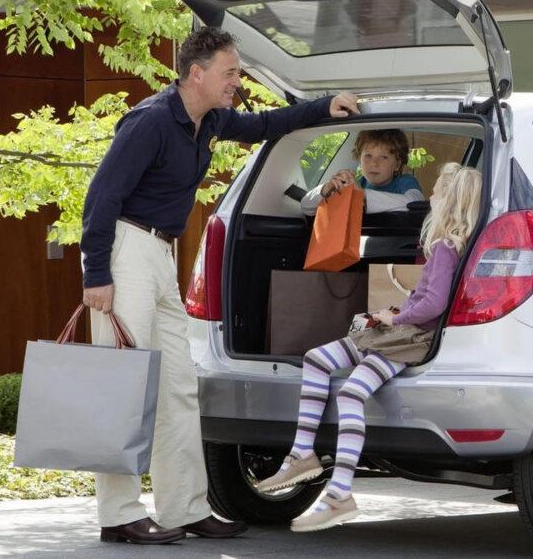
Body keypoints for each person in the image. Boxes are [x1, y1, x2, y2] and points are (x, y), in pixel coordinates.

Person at [80, 27, 362, 545]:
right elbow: (100, 200)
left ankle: (184, 507)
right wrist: (96, 275)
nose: (237, 81)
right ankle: (118, 515)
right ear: (197, 73)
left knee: (179, 389)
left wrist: (325, 107)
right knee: (125, 389)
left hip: (162, 254)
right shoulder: (148, 123)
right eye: (230, 72)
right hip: (125, 254)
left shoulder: (208, 120)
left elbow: (265, 125)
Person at [255, 162, 481, 532]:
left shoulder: (443, 246)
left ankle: (338, 491)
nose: (431, 195)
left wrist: (394, 318)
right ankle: (302, 455)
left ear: (450, 200)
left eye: (438, 189)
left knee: (349, 391)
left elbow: (434, 303)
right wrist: (395, 312)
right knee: (318, 360)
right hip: (405, 333)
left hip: (408, 339)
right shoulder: (451, 244)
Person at [300, 128, 424, 215]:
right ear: (359, 159)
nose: (374, 163)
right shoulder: (358, 183)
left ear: (397, 164)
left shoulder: (405, 182)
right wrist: (327, 189)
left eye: (383, 157)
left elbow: (415, 203)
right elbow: (306, 208)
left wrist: (361, 194)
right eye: (368, 156)